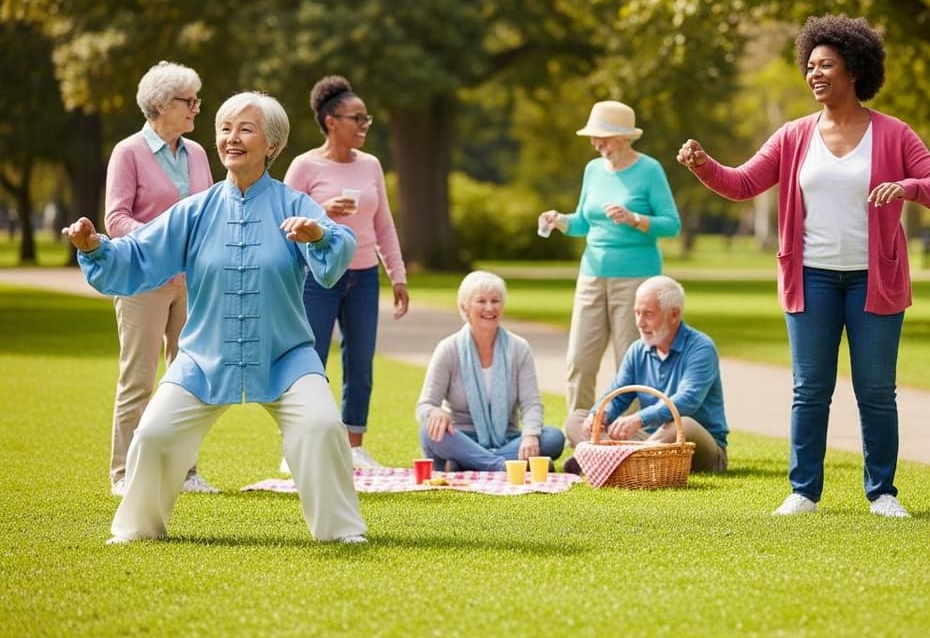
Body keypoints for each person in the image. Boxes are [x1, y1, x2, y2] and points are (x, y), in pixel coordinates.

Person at [677, 15, 930, 518]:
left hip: (876, 281)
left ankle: (882, 493)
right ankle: (803, 491)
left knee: (875, 389)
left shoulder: (892, 134)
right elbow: (741, 184)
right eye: (809, 65)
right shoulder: (793, 136)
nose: (815, 74)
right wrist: (703, 165)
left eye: (826, 64)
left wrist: (908, 187)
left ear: (855, 70)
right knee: (810, 389)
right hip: (811, 278)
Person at [63, 91, 367, 545]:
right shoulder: (195, 210)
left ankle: (341, 531)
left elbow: (338, 247)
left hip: (285, 356)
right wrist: (95, 247)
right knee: (155, 434)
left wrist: (319, 233)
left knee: (323, 426)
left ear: (272, 145)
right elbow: (140, 254)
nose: (231, 138)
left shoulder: (293, 205)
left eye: (245, 129)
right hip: (203, 357)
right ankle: (137, 530)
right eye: (225, 129)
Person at [284, 75, 410, 470]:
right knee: (309, 361)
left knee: (360, 363)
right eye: (356, 118)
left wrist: (399, 275)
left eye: (365, 119)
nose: (363, 126)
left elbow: (384, 224)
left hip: (364, 276)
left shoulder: (371, 165)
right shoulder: (304, 166)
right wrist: (323, 212)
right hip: (318, 278)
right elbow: (281, 220)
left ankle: (354, 446)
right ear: (330, 121)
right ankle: (297, 446)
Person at [103, 61, 216, 497]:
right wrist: (163, 241)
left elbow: (207, 210)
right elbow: (115, 219)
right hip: (143, 281)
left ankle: (185, 472)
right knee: (139, 379)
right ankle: (123, 474)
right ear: (160, 105)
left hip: (191, 282)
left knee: (188, 376)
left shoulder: (199, 153)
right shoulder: (128, 151)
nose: (196, 110)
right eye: (190, 102)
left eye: (196, 101)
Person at [538, 100, 681, 416]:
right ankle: (581, 433)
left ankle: (630, 435)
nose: (595, 143)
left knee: (629, 359)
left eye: (602, 136)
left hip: (635, 279)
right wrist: (561, 221)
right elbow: (583, 223)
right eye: (593, 137)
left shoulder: (649, 170)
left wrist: (634, 219)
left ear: (624, 137)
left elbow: (672, 225)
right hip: (591, 276)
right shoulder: (592, 170)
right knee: (579, 359)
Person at [565, 276, 728, 473]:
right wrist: (599, 415)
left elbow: (688, 400)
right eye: (637, 313)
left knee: (682, 424)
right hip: (650, 441)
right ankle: (628, 462)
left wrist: (638, 419)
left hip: (695, 447)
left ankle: (606, 461)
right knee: (578, 419)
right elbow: (618, 394)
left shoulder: (701, 348)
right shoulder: (638, 349)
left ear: (674, 315)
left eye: (648, 314)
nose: (640, 323)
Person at [415, 271, 565, 472]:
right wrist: (436, 412)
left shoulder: (519, 348)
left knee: (553, 437)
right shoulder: (448, 348)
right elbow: (425, 405)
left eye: (495, 301)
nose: (489, 308)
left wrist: (529, 436)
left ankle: (469, 463)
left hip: (508, 439)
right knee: (429, 431)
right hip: (463, 438)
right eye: (481, 301)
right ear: (464, 307)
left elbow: (531, 403)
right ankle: (502, 466)